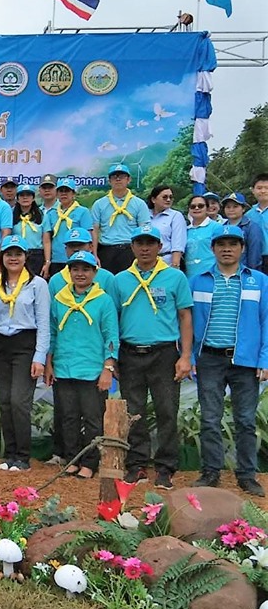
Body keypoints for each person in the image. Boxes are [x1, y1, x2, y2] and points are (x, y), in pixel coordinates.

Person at [111, 225, 193, 489]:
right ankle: (136, 465)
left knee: (166, 410)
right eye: (140, 243)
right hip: (130, 352)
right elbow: (113, 320)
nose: (145, 248)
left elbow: (185, 316)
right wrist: (112, 357)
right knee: (133, 413)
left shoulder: (175, 277)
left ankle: (165, 467)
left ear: (160, 247)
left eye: (150, 243)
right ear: (132, 247)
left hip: (164, 353)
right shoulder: (120, 280)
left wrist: (186, 356)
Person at [190, 224, 268, 497]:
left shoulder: (259, 281)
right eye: (221, 244)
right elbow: (186, 322)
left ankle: (247, 475)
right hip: (209, 359)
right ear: (212, 249)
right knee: (210, 419)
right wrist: (189, 356)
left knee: (245, 420)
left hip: (245, 361)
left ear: (242, 248)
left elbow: (266, 322)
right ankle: (210, 472)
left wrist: (264, 359)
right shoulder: (198, 281)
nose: (227, 249)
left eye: (233, 244)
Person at [45, 250, 119, 480]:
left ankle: (90, 462)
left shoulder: (103, 300)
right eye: (75, 269)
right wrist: (49, 363)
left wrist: (108, 368)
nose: (80, 273)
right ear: (69, 272)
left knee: (92, 418)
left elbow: (111, 336)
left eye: (86, 269)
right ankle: (72, 459)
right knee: (68, 417)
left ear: (94, 272)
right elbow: (52, 333)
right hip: (64, 366)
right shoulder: (59, 299)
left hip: (92, 369)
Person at [0, 236, 50, 472]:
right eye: (9, 254)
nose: (13, 258)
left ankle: (23, 456)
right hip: (0, 345)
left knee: (19, 401)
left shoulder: (37, 285)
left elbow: (44, 323)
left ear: (26, 257)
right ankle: (10, 454)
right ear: (2, 257)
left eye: (18, 254)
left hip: (25, 344)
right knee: (4, 401)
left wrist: (39, 357)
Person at [91, 163, 151, 274]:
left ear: (129, 180)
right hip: (106, 250)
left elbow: (143, 230)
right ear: (109, 181)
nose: (118, 179)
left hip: (130, 250)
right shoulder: (99, 204)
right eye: (114, 177)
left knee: (130, 281)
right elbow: (94, 230)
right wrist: (94, 254)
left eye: (122, 176)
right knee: (107, 281)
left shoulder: (139, 204)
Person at [42, 178, 93, 279]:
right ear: (57, 194)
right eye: (61, 191)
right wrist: (47, 261)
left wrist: (91, 255)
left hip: (78, 259)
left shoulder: (83, 212)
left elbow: (88, 236)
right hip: (57, 259)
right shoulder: (51, 213)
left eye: (67, 191)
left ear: (73, 193)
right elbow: (47, 240)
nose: (64, 194)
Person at [222, 192, 264, 272]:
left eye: (235, 206)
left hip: (244, 271)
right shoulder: (221, 228)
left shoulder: (251, 227)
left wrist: (251, 273)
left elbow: (254, 254)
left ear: (243, 208)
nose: (231, 210)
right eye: (228, 207)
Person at [147, 185, 187, 268]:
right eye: (164, 197)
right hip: (145, 261)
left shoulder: (176, 216)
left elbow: (178, 244)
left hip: (166, 262)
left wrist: (175, 265)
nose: (168, 200)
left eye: (170, 197)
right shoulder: (145, 215)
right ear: (153, 199)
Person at [11, 184, 44, 275]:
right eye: (22, 195)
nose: (25, 198)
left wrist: (47, 261)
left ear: (33, 198)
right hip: (17, 254)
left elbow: (46, 240)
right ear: (17, 198)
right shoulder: (11, 215)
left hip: (37, 255)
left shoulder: (42, 215)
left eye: (28, 195)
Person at [185, 195, 217, 279]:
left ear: (207, 208)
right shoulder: (185, 230)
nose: (196, 208)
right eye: (193, 206)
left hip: (211, 275)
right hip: (189, 276)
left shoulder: (216, 227)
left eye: (200, 206)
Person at [247, 173, 268, 272]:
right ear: (253, 190)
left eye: (267, 188)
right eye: (259, 188)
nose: (263, 191)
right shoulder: (248, 215)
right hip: (255, 259)